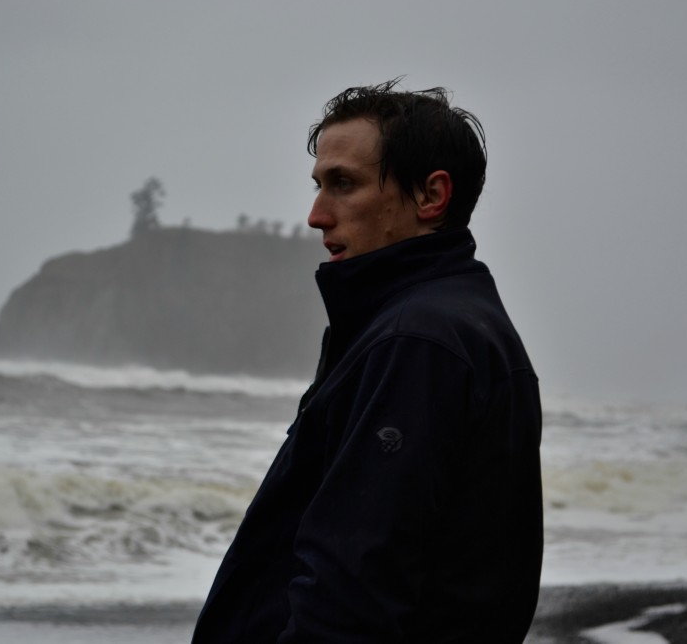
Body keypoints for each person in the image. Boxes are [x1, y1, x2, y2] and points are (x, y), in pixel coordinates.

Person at [191, 80, 543, 642]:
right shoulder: (445, 325)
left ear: (431, 195)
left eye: (343, 185)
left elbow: (351, 593)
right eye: (318, 185)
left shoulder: (418, 342)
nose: (315, 215)